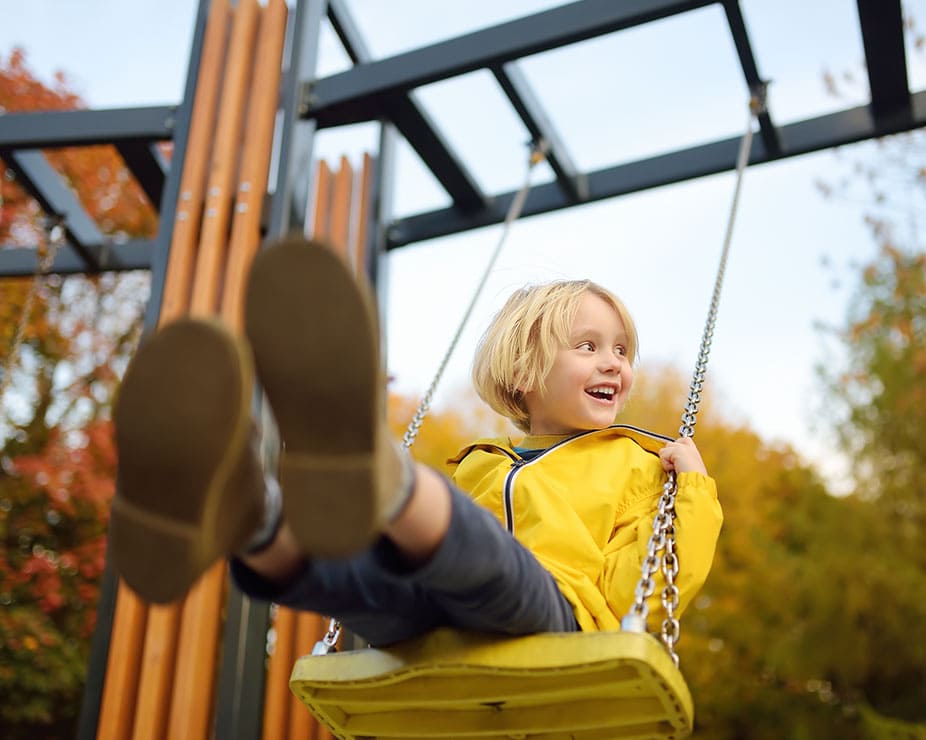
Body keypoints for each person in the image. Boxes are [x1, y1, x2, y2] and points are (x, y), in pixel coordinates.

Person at [110, 236, 722, 646]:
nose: (614, 363)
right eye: (587, 346)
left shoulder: (639, 466)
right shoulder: (483, 464)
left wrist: (689, 488)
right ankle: (251, 518)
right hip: (441, 628)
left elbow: (641, 591)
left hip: (554, 621)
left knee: (488, 560)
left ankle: (380, 471)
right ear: (522, 369)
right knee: (370, 583)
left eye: (622, 350)